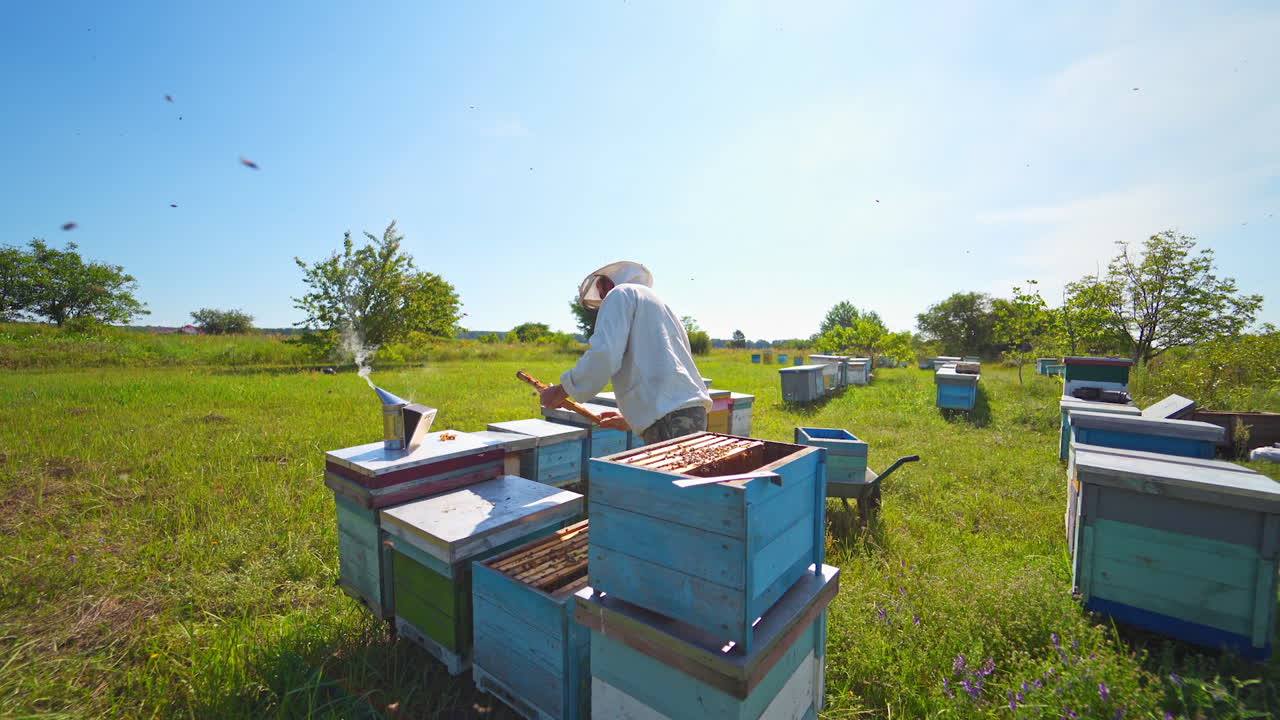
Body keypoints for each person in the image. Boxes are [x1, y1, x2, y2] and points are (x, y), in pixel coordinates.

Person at [539, 261, 711, 444]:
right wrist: (630, 418)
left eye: (601, 290)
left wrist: (561, 390)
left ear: (608, 283)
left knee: (671, 473)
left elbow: (604, 355)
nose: (603, 298)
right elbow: (662, 367)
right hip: (690, 412)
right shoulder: (659, 305)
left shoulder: (619, 294)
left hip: (670, 420)